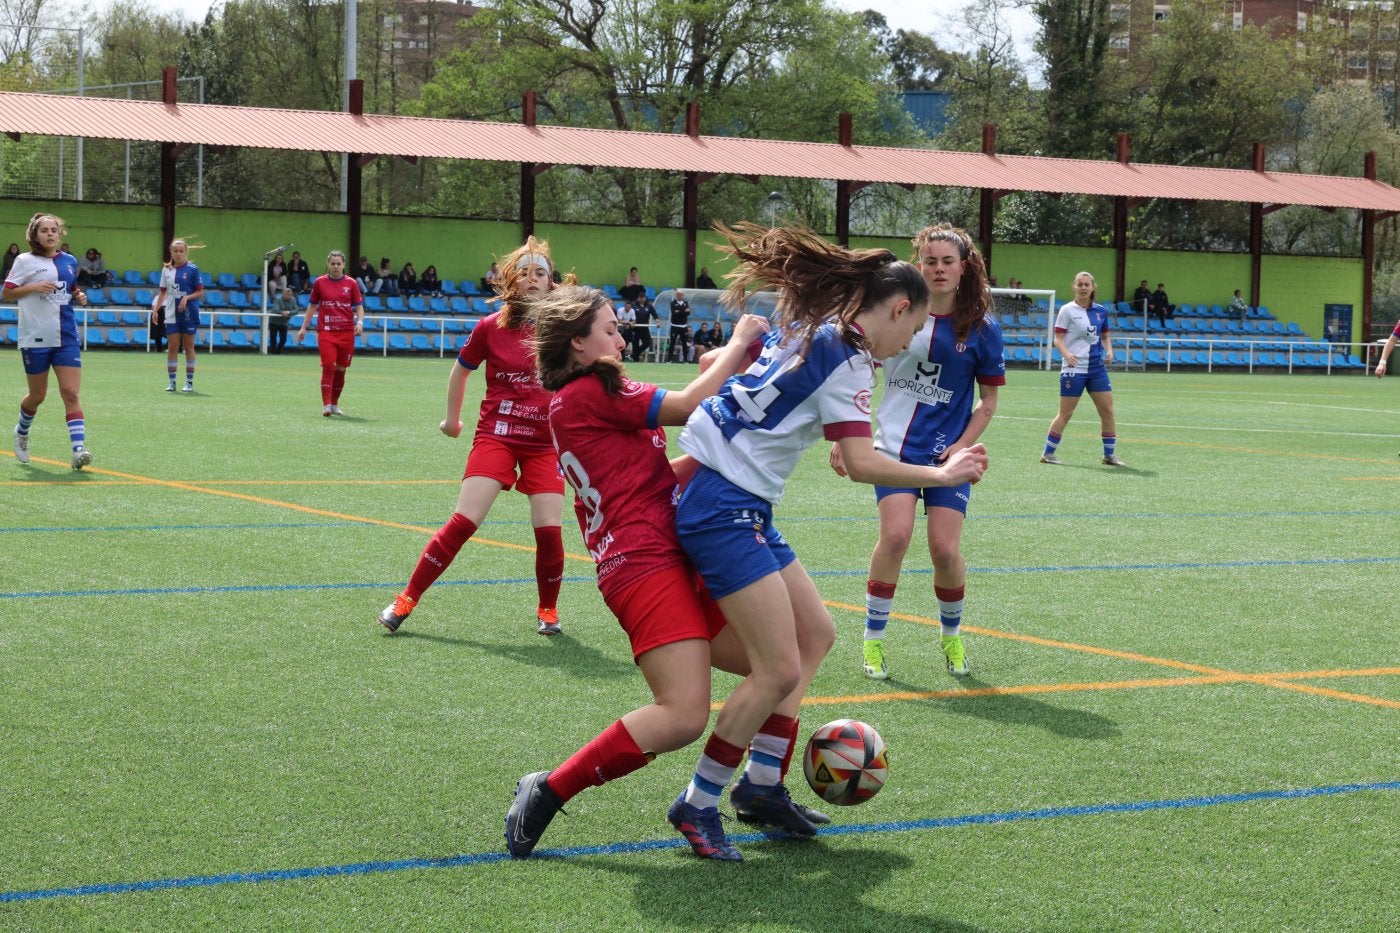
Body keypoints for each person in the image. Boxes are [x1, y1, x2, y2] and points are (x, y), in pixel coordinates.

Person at [667, 224, 988, 860]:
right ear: (898, 310)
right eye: (911, 330)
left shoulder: (815, 320)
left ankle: (761, 785)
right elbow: (864, 462)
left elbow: (809, 418)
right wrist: (941, 473)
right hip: (723, 504)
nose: (906, 346)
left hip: (732, 495)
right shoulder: (854, 359)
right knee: (779, 666)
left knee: (816, 635)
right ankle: (698, 803)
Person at [503, 286, 774, 858]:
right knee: (682, 716)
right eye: (609, 329)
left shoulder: (585, 394)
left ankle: (760, 787)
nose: (621, 339)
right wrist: (739, 343)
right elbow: (688, 403)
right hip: (642, 565)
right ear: (577, 344)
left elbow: (650, 477)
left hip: (667, 551)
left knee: (775, 665)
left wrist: (717, 454)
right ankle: (549, 790)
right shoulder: (589, 390)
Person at [832, 223, 1004, 683]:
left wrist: (960, 451)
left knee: (945, 549)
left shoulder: (982, 329)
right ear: (918, 264)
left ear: (965, 268)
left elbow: (987, 403)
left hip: (948, 457)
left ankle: (951, 635)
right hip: (893, 449)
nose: (939, 269)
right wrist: (842, 435)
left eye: (948, 261)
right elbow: (857, 372)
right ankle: (873, 638)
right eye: (930, 261)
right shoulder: (899, 311)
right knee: (895, 537)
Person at [377, 236, 571, 637]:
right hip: (496, 436)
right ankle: (406, 599)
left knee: (549, 529)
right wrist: (452, 421)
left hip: (543, 444)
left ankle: (548, 611)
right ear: (509, 281)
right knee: (465, 520)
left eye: (540, 273)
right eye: (524, 272)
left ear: (552, 282)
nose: (532, 279)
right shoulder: (490, 327)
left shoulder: (564, 331)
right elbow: (460, 370)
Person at [3, 213, 93, 470]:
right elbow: (7, 293)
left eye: (54, 230)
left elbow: (72, 287)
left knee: (71, 392)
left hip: (66, 336)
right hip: (35, 336)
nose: (50, 234)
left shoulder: (69, 260)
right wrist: (32, 287)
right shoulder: (24, 261)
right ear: (34, 234)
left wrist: (80, 295)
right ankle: (21, 433)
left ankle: (78, 450)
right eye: (44, 230)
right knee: (37, 395)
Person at [1041, 271, 1125, 467]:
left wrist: (1110, 350)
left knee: (1108, 411)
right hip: (1074, 369)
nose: (1083, 287)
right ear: (1074, 287)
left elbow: (1105, 335)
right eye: (1080, 284)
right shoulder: (1067, 310)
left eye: (1087, 284)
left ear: (1093, 287)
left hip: (1096, 368)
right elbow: (1058, 339)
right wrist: (1066, 354)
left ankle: (1109, 456)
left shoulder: (1100, 311)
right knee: (1066, 413)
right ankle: (1047, 453)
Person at [296, 250, 364, 416]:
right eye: (332, 263)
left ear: (344, 265)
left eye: (338, 264)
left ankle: (334, 404)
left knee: (341, 369)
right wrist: (304, 327)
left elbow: (359, 306)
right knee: (328, 366)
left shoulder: (352, 283)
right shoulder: (320, 282)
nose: (335, 266)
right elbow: (312, 306)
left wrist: (360, 322)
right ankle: (326, 404)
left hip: (347, 332)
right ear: (328, 264)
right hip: (326, 332)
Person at [156, 238, 206, 393]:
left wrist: (186, 297)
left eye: (181, 251)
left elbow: (199, 291)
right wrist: (156, 310)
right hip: (171, 313)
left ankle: (189, 383)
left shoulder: (193, 269)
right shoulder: (166, 270)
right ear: (171, 252)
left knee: (189, 346)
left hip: (189, 312)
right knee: (172, 347)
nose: (178, 254)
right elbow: (163, 292)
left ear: (186, 252)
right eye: (175, 251)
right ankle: (172, 382)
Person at [268, 286, 295, 354]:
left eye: (289, 295)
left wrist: (288, 312)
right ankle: (273, 352)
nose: (287, 296)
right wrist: (282, 312)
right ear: (283, 294)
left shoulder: (293, 300)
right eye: (286, 294)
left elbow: (296, 310)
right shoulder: (278, 299)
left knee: (283, 339)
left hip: (284, 323)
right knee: (273, 339)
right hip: (274, 322)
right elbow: (275, 309)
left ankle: (278, 352)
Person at [630, 292, 656, 361]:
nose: (642, 299)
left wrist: (657, 320)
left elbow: (654, 314)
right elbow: (629, 314)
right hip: (635, 328)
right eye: (640, 298)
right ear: (638, 298)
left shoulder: (649, 305)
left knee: (647, 343)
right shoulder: (633, 305)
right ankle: (635, 360)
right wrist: (630, 322)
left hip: (644, 328)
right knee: (635, 345)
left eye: (643, 298)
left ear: (645, 298)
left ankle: (634, 354)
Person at [668, 289, 692, 363]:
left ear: (683, 295)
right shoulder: (673, 303)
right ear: (676, 295)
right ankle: (669, 359)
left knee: (684, 343)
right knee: (672, 342)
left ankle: (685, 359)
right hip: (674, 326)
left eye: (681, 294)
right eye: (678, 294)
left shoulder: (686, 303)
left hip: (683, 326)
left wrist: (679, 311)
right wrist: (684, 311)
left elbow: (688, 313)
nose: (680, 296)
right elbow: (674, 313)